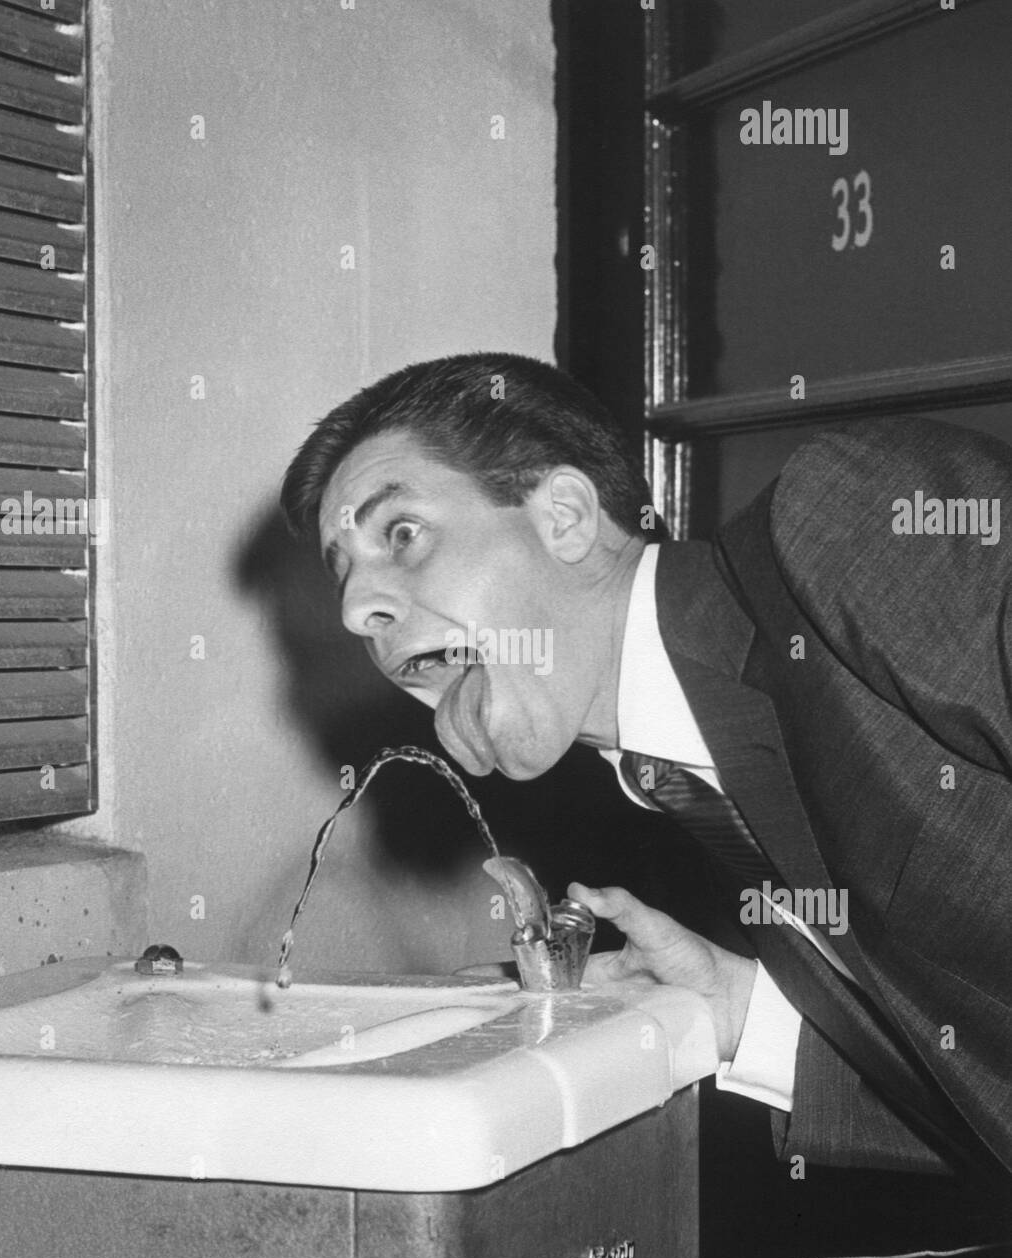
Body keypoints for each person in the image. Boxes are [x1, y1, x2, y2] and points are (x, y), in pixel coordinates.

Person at [281, 352, 1012, 1181]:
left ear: (564, 516)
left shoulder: (846, 522)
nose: (354, 614)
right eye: (344, 576)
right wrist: (733, 1013)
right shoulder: (692, 804)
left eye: (401, 535)